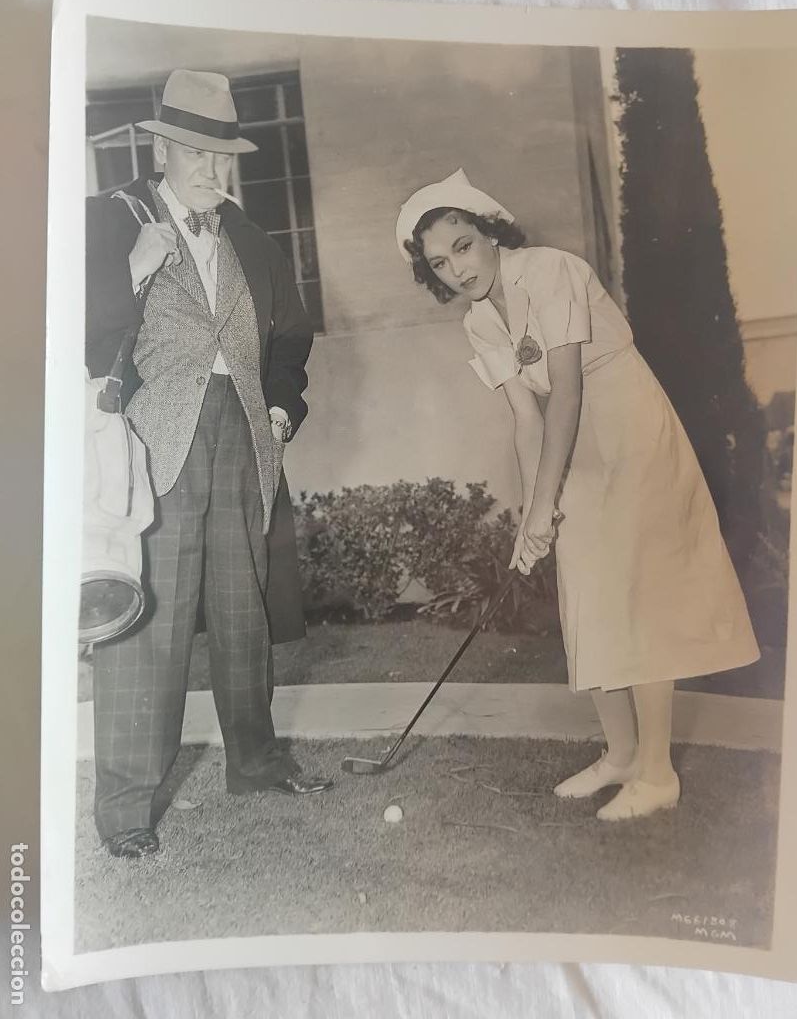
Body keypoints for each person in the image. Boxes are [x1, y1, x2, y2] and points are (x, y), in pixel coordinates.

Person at [395, 169, 760, 821]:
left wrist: (544, 503)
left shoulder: (550, 271)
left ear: (491, 235)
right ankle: (620, 755)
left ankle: (656, 772)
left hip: (628, 432)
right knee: (588, 594)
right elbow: (526, 417)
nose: (456, 267)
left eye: (463, 245)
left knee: (639, 598)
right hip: (575, 453)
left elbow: (566, 388)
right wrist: (531, 516)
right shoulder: (479, 323)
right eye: (439, 262)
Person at [84, 69, 332, 859]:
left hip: (245, 437)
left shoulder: (253, 240)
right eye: (190, 149)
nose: (207, 168)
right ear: (160, 148)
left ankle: (255, 761)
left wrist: (284, 407)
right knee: (147, 624)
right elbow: (73, 330)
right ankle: (126, 808)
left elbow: (290, 339)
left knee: (242, 609)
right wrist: (134, 268)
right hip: (155, 442)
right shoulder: (112, 218)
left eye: (219, 153)